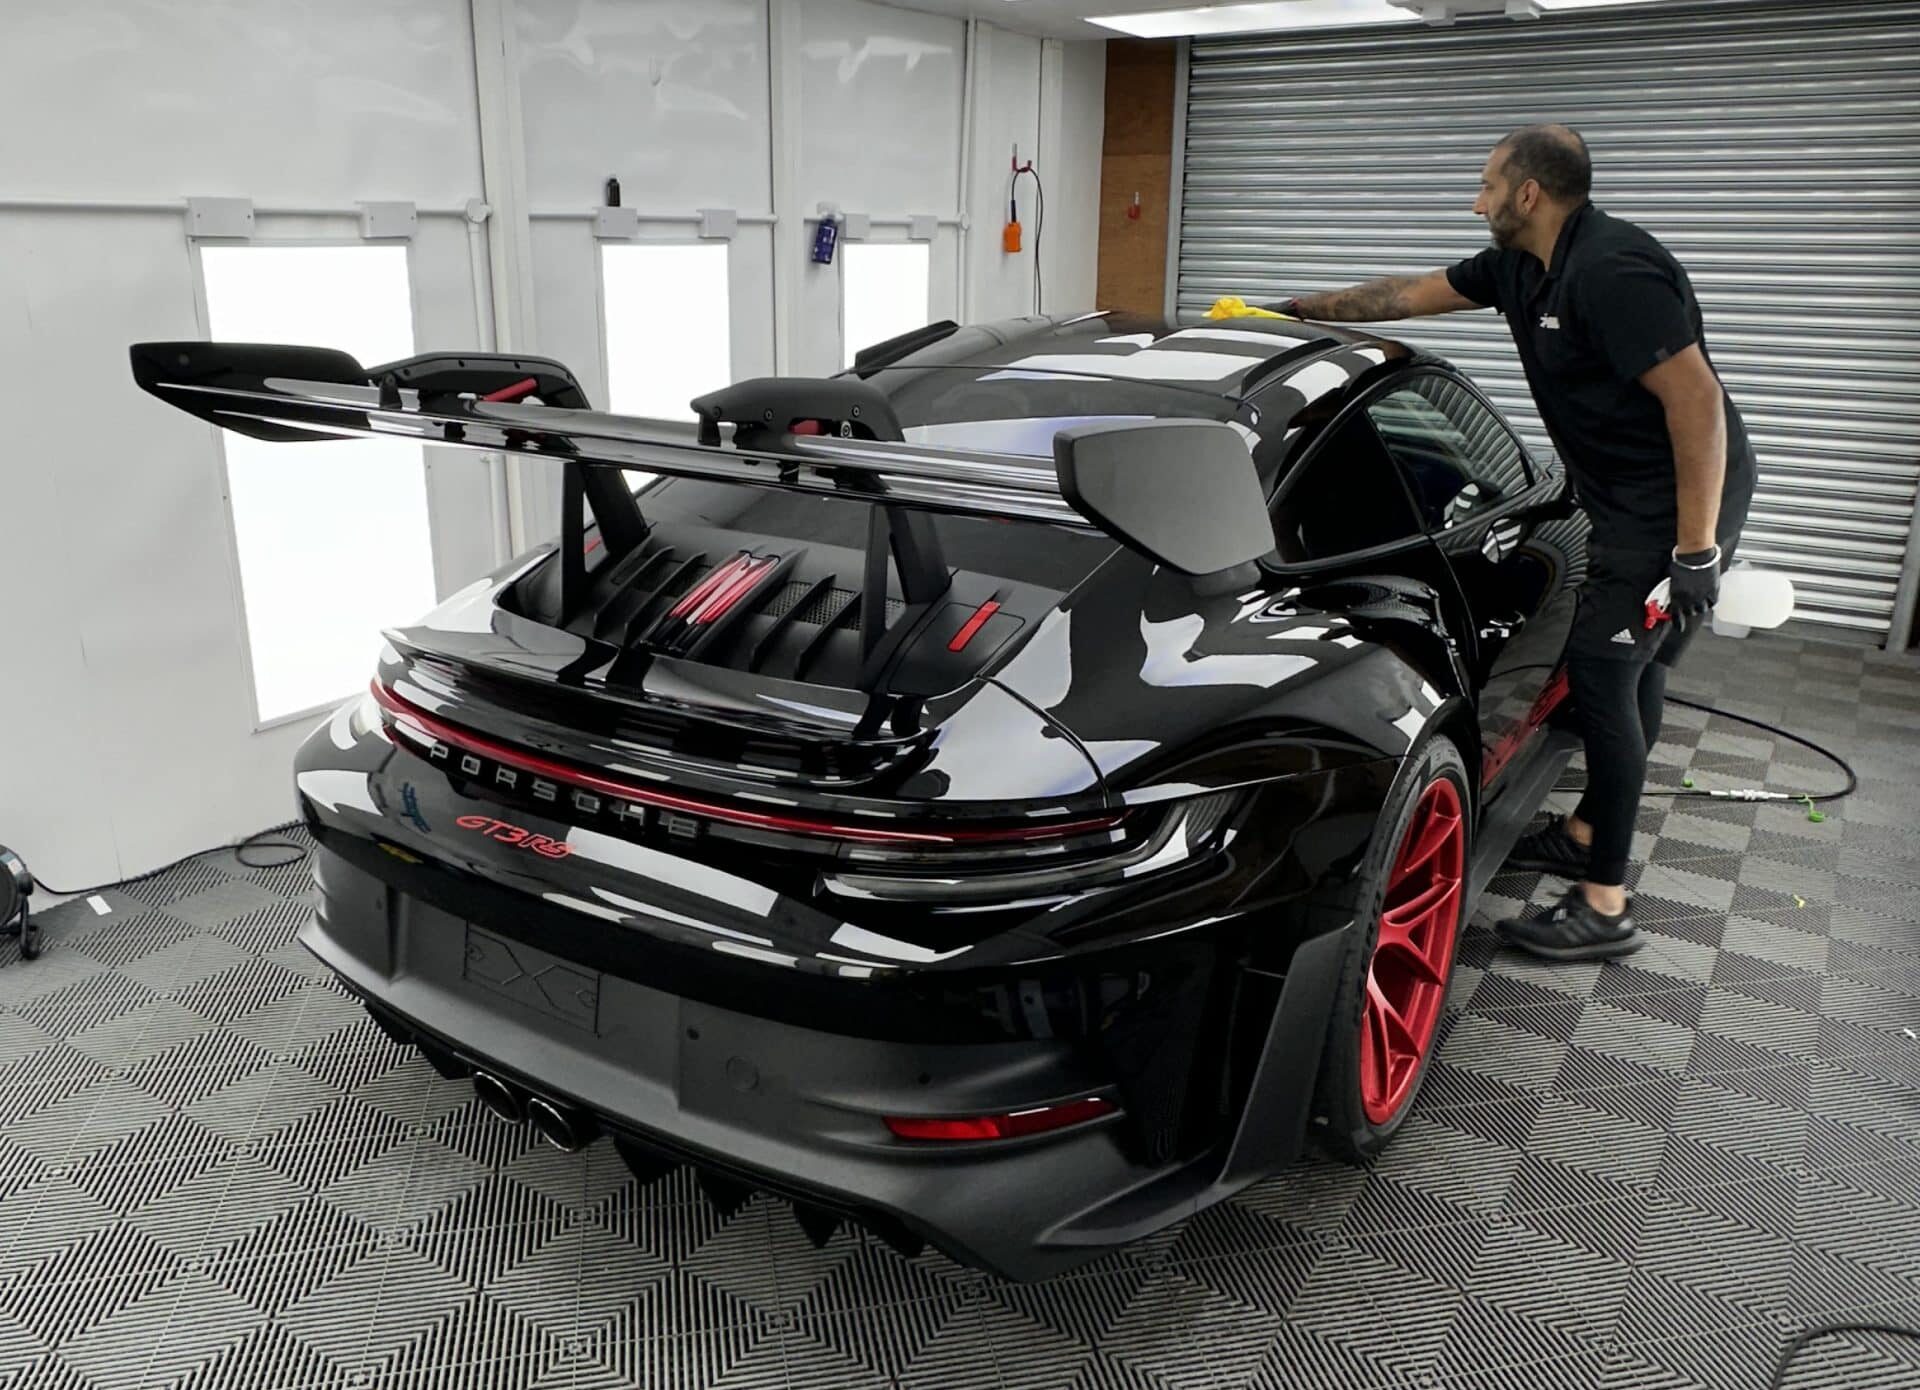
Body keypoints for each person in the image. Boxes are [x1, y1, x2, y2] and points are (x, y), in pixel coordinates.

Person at [1274, 124, 1755, 962]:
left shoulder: (1613, 271)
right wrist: (1295, 312)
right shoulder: (1516, 268)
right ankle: (1585, 830)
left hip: (1673, 505)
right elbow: (1404, 296)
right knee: (1630, 668)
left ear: (1528, 193)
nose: (1476, 199)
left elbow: (1698, 404)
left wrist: (1696, 550)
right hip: (1622, 498)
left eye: (1487, 184)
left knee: (1605, 675)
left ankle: (1604, 904)